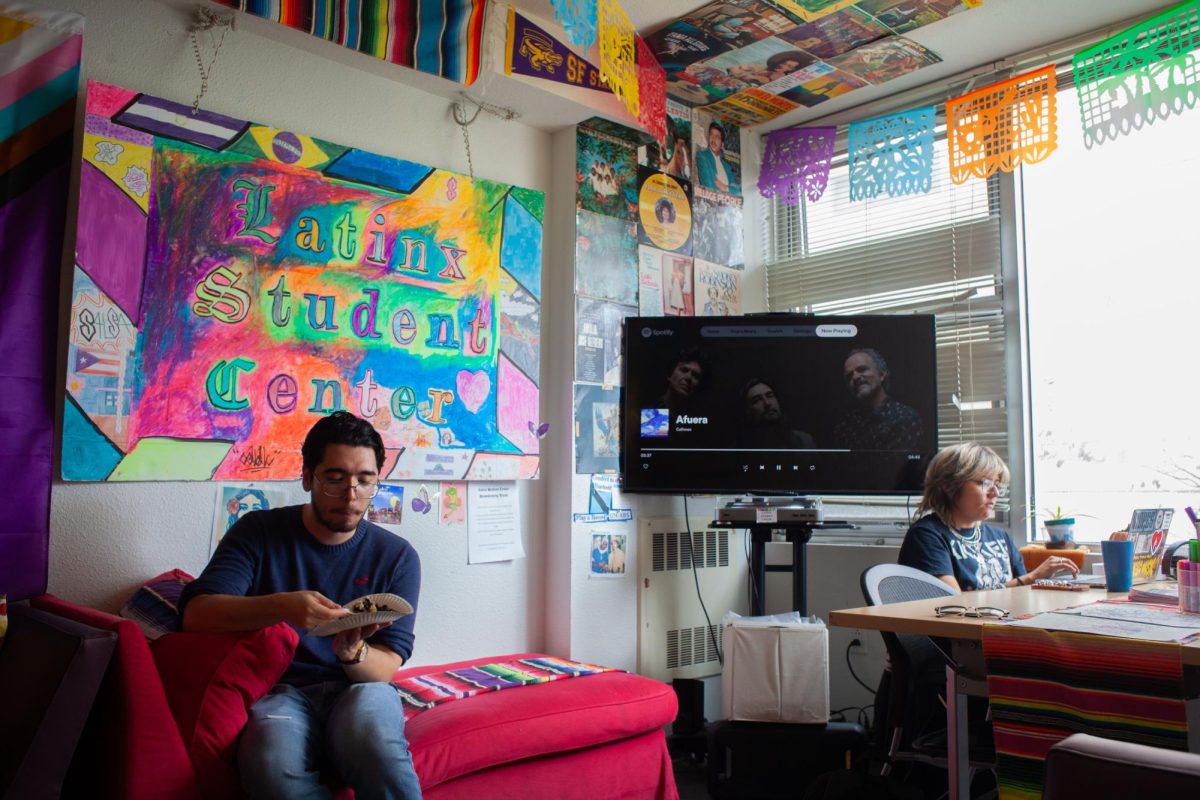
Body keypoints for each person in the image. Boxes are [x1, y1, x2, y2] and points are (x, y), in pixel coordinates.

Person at [180, 411, 423, 799]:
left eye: (365, 480)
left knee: (376, 747)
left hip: (357, 688)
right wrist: (284, 607)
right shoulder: (257, 532)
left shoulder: (397, 556)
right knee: (271, 766)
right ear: (307, 477)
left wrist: (352, 652)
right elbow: (197, 614)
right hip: (280, 690)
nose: (351, 496)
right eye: (335, 478)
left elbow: (387, 666)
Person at [900, 442, 1078, 591]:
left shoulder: (1000, 537)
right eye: (983, 483)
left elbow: (1022, 595)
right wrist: (1032, 577)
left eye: (997, 484)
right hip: (963, 631)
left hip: (1004, 625)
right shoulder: (927, 536)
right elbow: (953, 604)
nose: (995, 493)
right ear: (948, 485)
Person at [831, 348, 923, 451]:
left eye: (862, 369)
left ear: (882, 374)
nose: (855, 377)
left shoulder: (905, 418)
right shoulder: (845, 424)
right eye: (849, 376)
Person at [735, 378, 816, 449]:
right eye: (757, 400)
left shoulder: (805, 442)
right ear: (747, 411)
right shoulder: (738, 451)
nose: (767, 403)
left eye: (770, 396)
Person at [656, 346, 708, 411]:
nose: (688, 377)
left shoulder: (699, 414)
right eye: (684, 370)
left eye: (695, 375)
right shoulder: (653, 411)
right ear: (670, 374)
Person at [695, 121, 739, 194]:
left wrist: (724, 187)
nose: (713, 139)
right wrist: (729, 189)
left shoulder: (726, 166)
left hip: (728, 204)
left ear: (722, 144)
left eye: (717, 137)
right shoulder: (702, 156)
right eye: (711, 135)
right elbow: (709, 186)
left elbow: (737, 191)